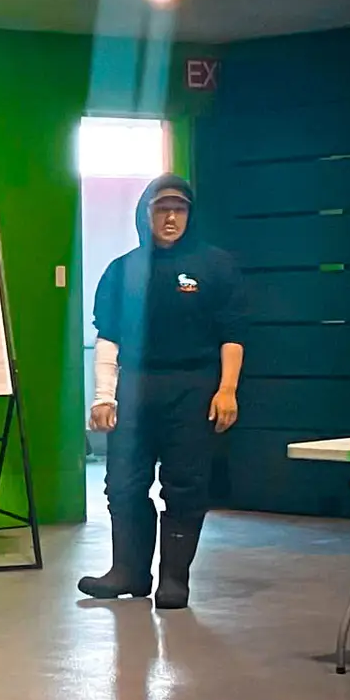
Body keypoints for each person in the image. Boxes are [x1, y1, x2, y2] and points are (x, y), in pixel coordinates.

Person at [80, 174, 245, 610]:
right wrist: (103, 396)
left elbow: (232, 333)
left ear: (190, 215)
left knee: (185, 484)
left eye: (179, 209)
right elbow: (109, 337)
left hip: (193, 386)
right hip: (135, 386)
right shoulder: (122, 270)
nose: (171, 218)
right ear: (145, 214)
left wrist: (227, 389)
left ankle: (174, 579)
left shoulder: (216, 266)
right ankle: (128, 572)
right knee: (123, 483)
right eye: (161, 209)